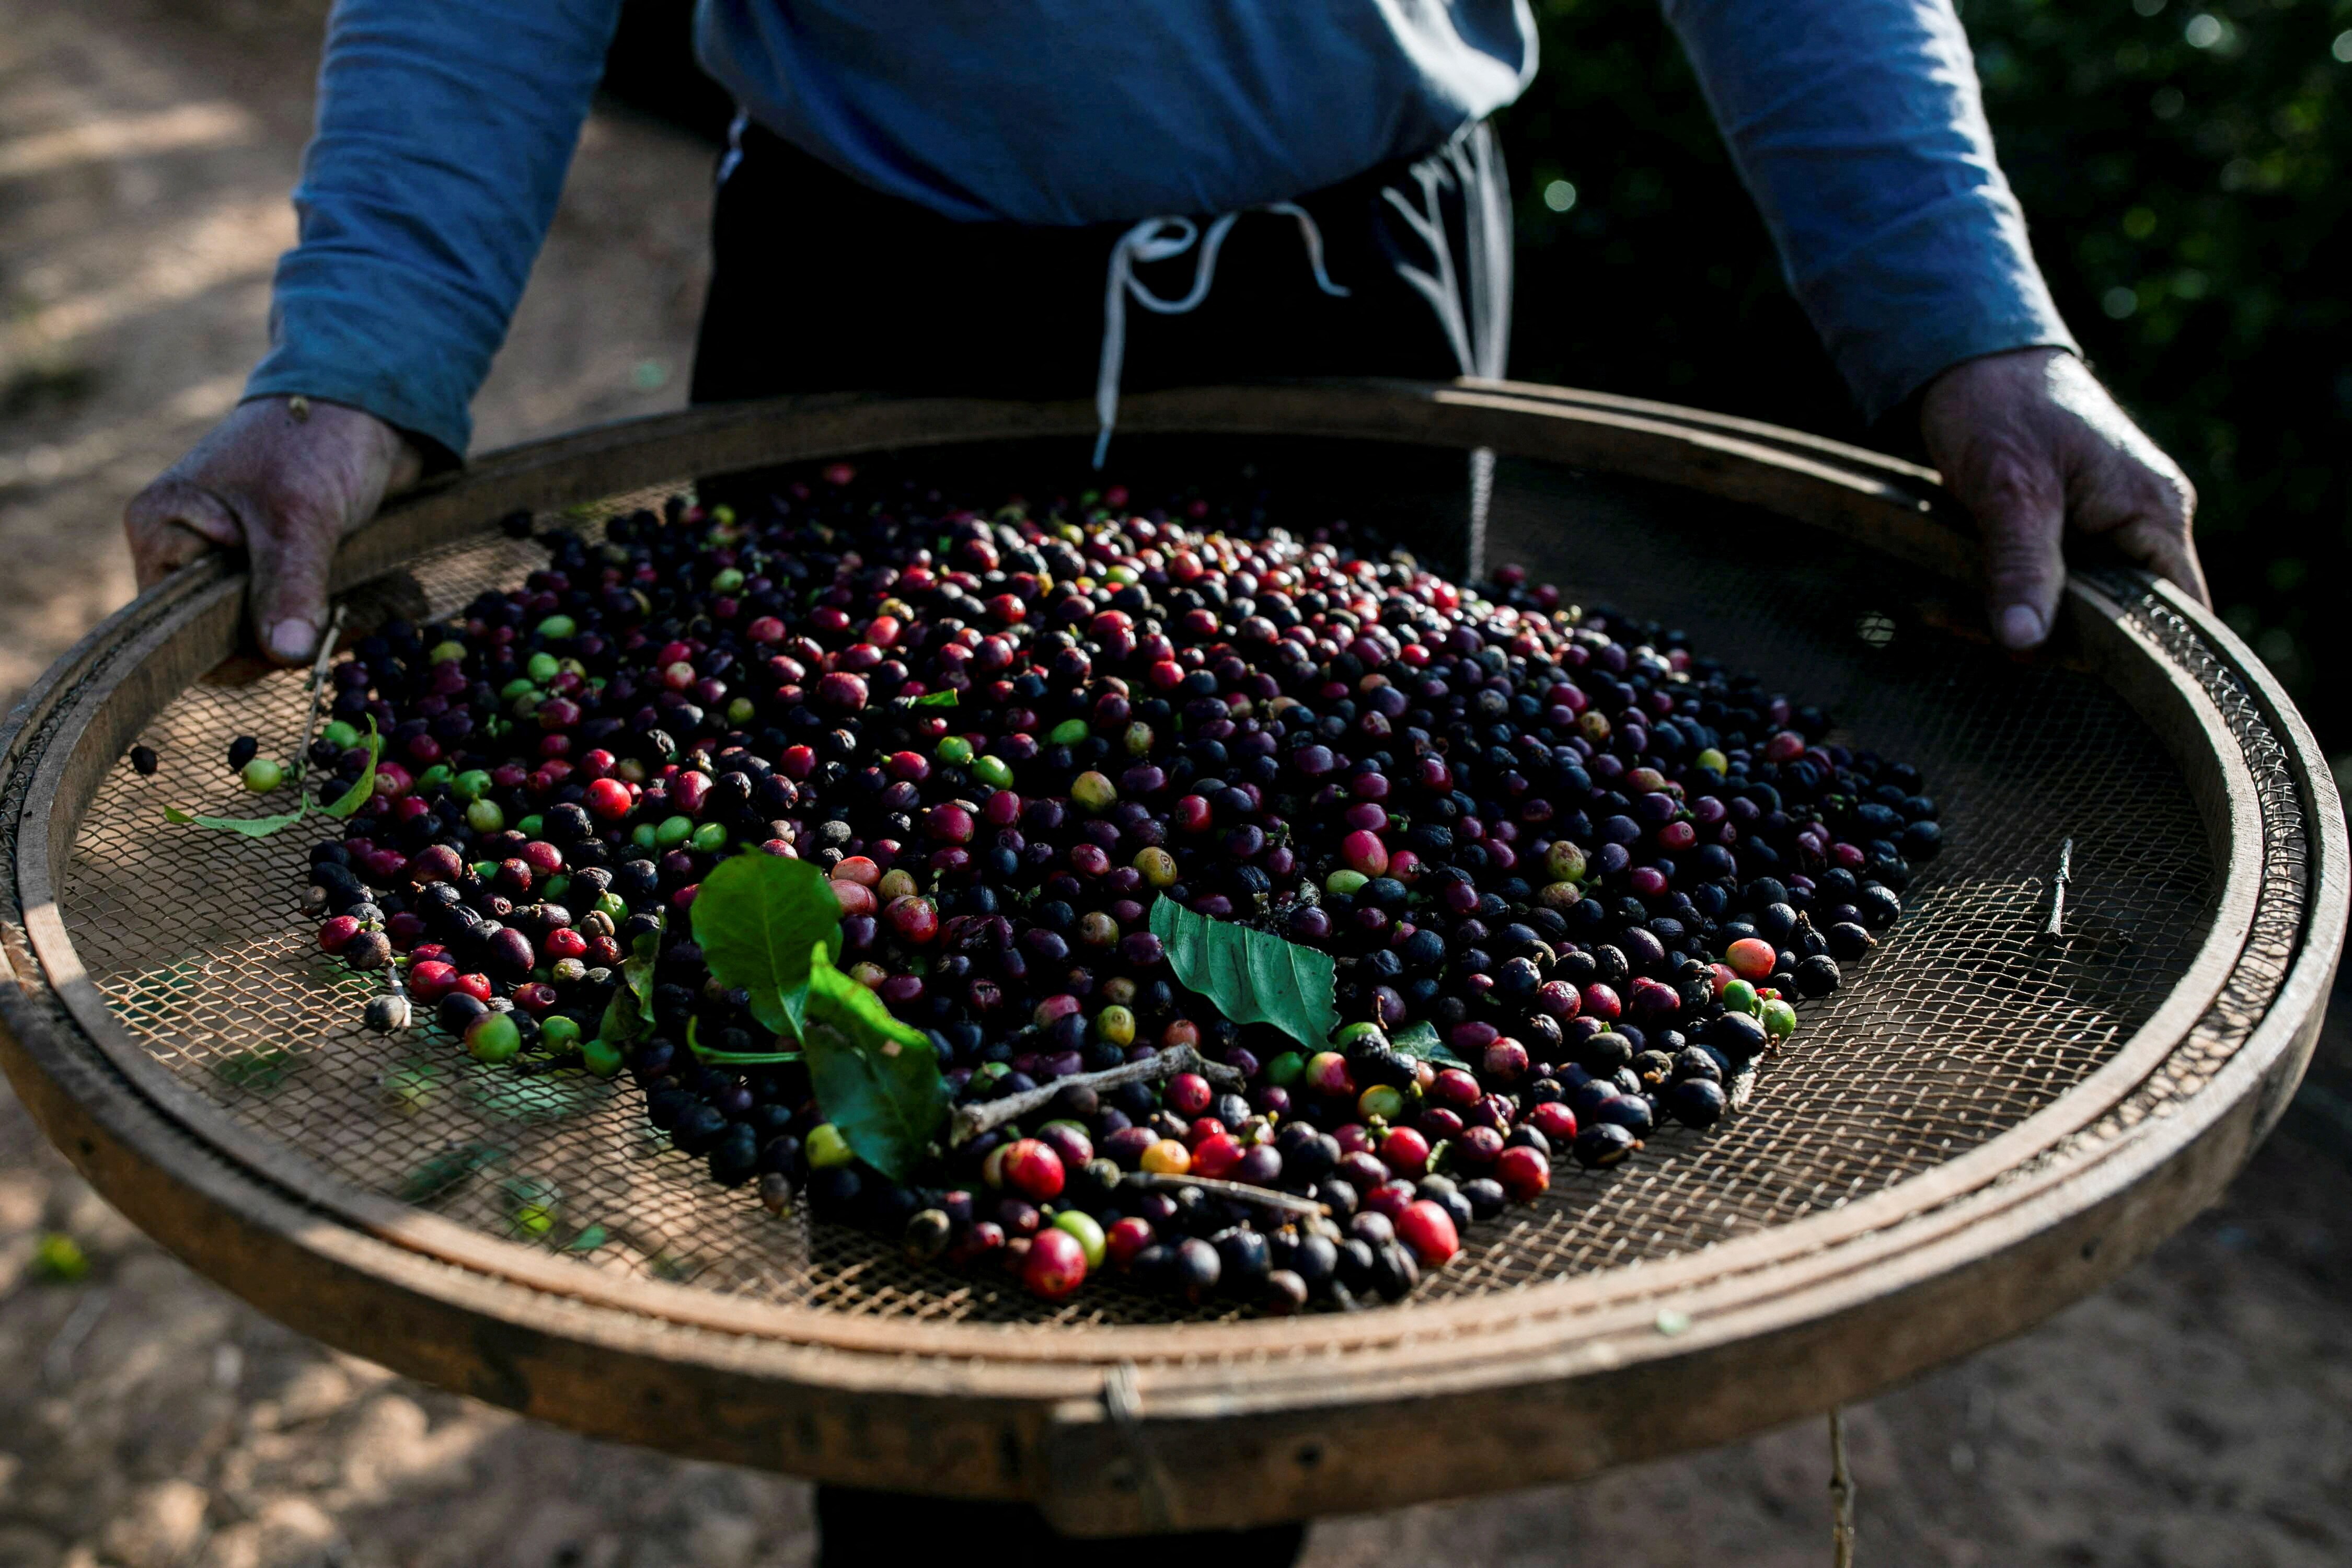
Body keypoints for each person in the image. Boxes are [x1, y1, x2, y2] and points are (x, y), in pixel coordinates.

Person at [117, 1, 2207, 1559]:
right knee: (884, 1151)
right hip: (873, 330)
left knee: (1282, 1146)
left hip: (1350, 320)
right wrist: (357, 359)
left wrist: (1972, 333)